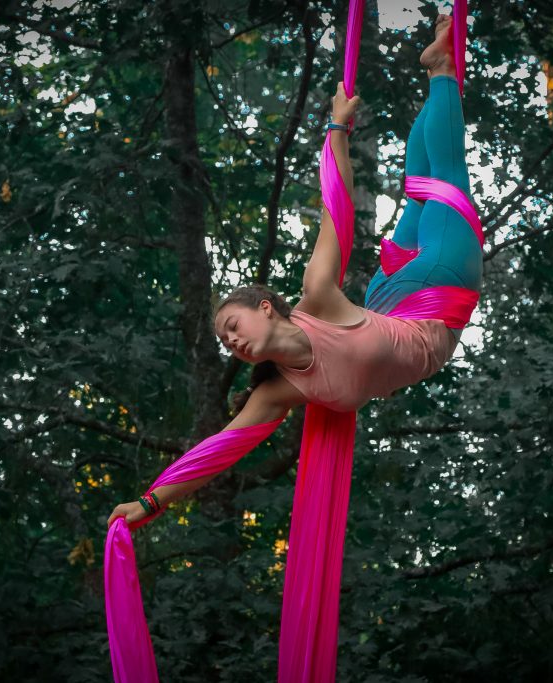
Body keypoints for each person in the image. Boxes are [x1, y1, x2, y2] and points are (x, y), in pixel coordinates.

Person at [109, 13, 481, 527]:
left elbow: (336, 208)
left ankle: (441, 69)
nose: (232, 343)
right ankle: (439, 70)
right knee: (427, 182)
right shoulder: (279, 390)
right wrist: (151, 503)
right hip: (416, 309)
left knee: (442, 181)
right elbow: (219, 450)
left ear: (266, 307)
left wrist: (337, 130)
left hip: (426, 291)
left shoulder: (316, 296)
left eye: (232, 326)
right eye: (226, 342)